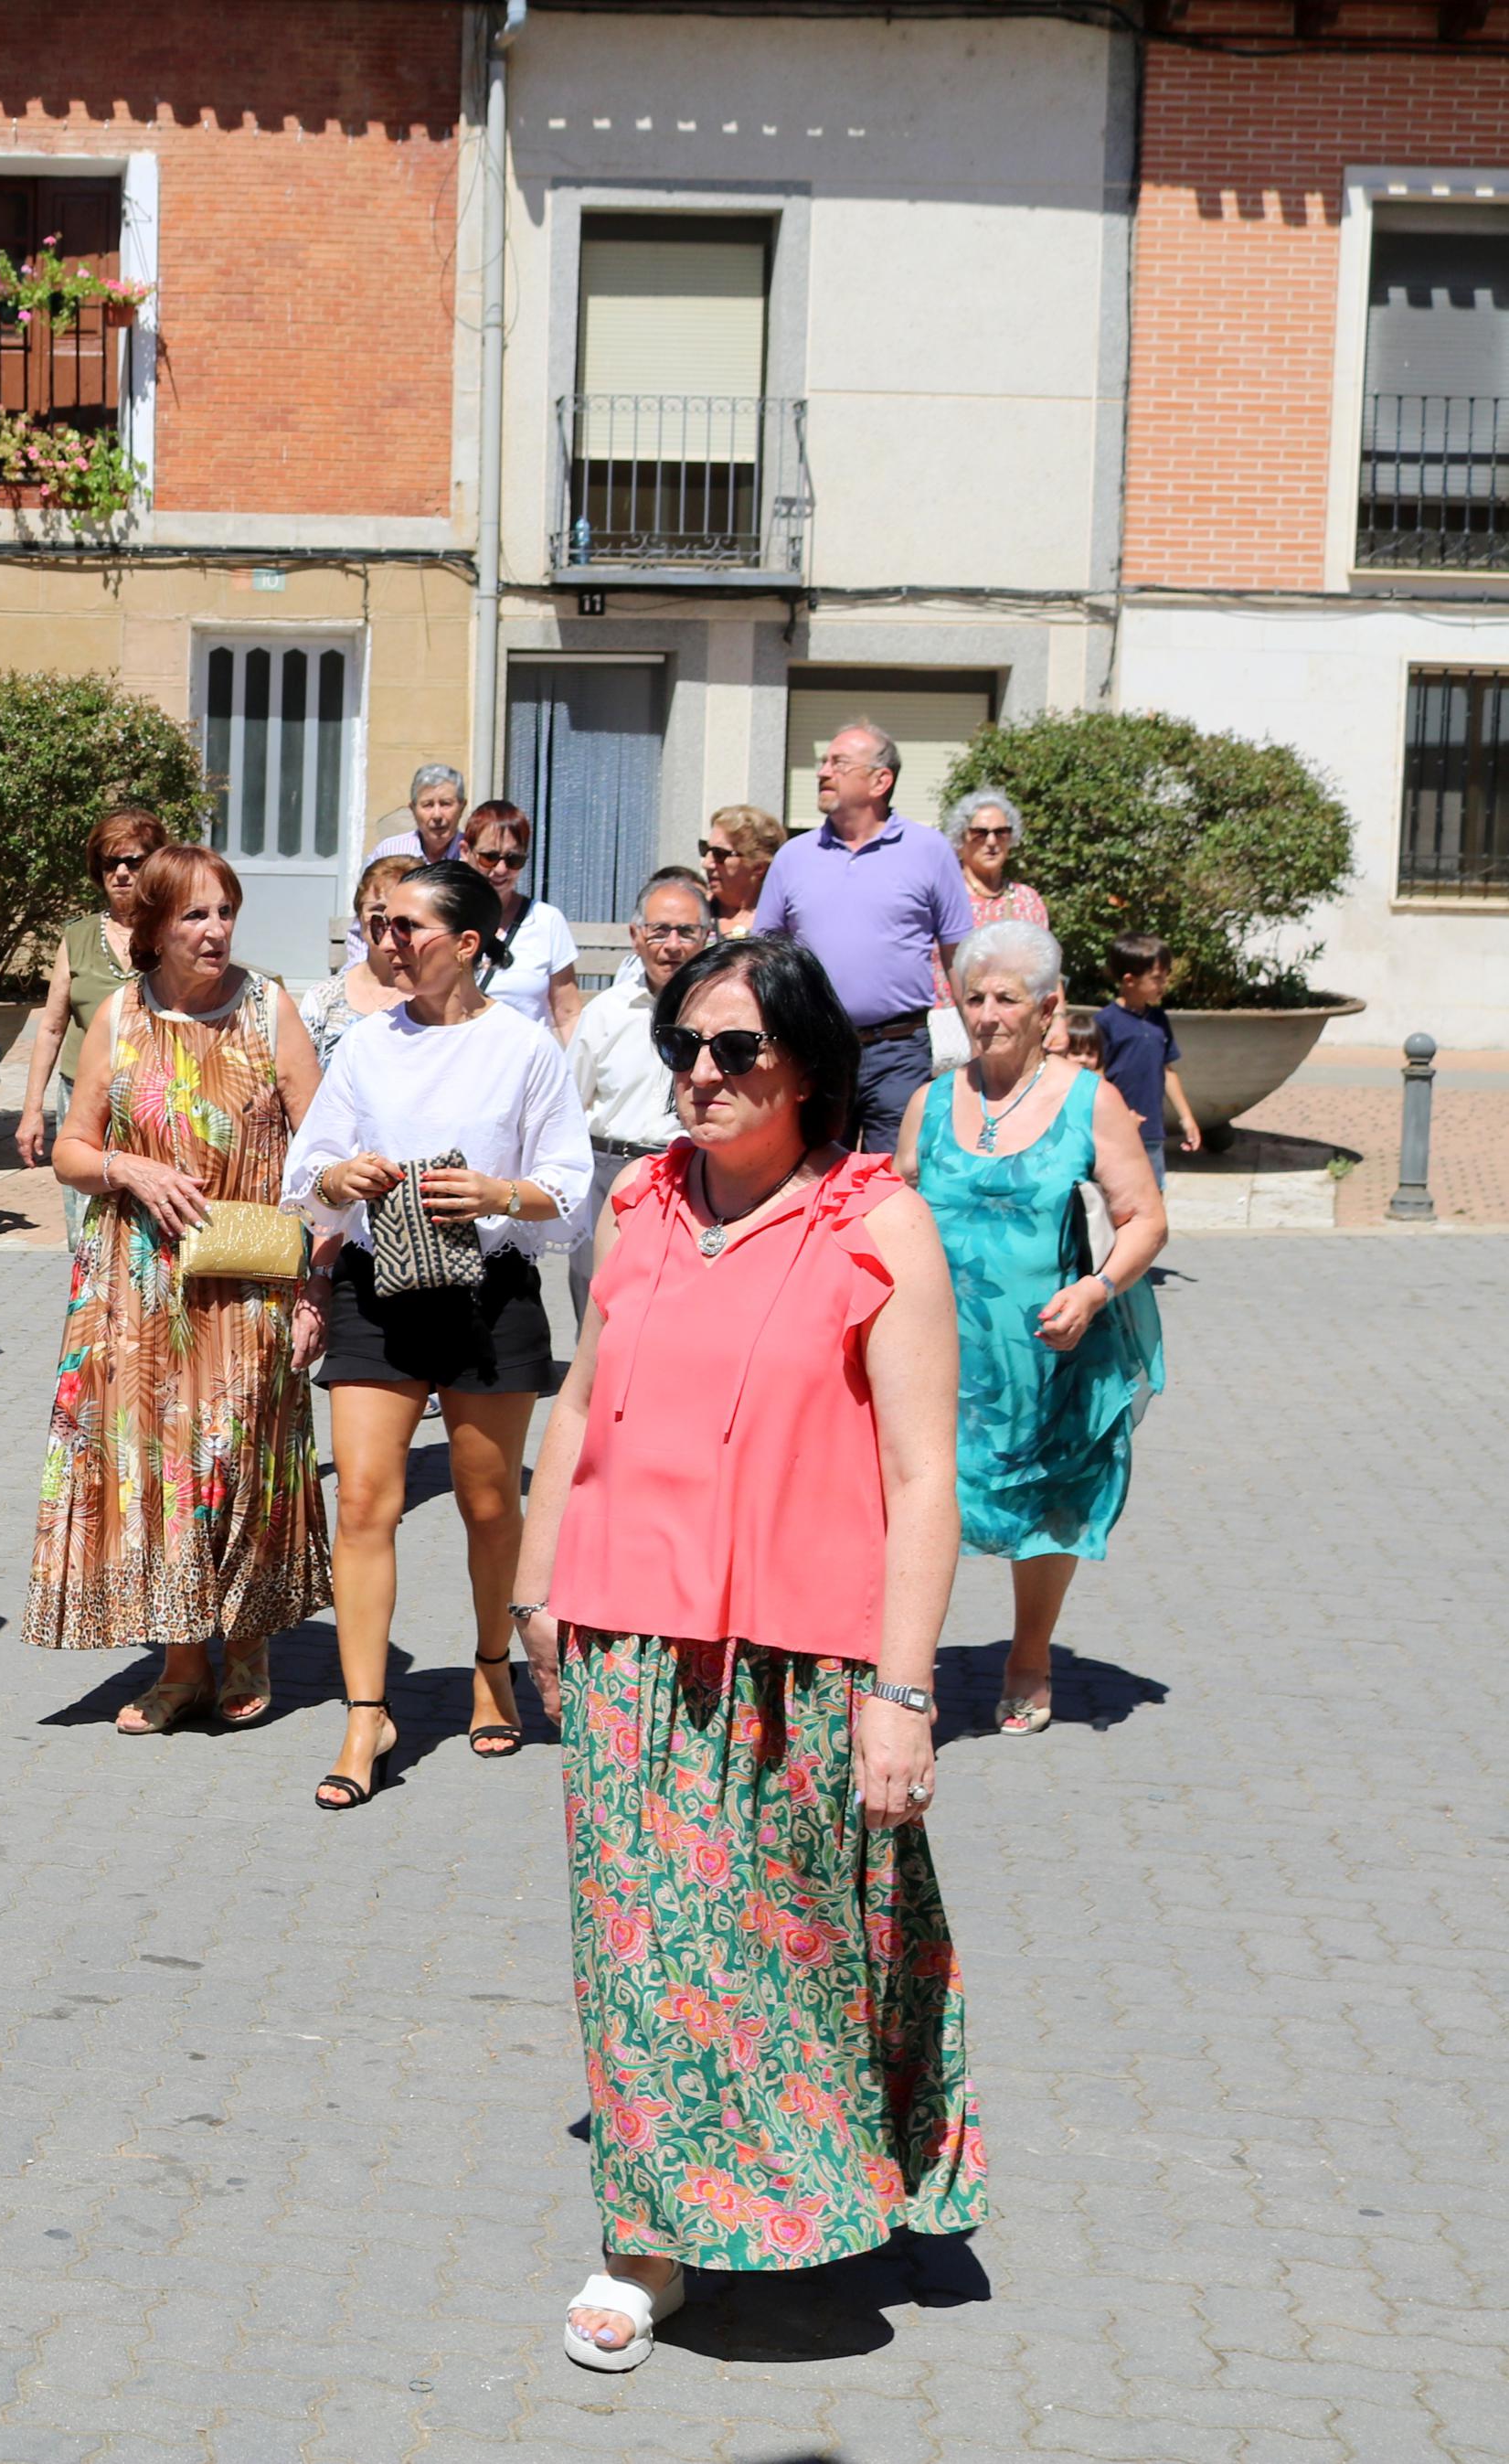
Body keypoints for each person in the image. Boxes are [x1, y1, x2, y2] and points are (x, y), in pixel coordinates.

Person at [508, 934, 982, 2374]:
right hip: (625, 1641)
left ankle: (821, 2184)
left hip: (799, 1657)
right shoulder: (641, 1198)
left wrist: (902, 1694)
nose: (697, 1075)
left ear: (805, 1068)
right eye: (680, 1046)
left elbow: (919, 1476)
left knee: (793, 1942)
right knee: (639, 1947)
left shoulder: (873, 1218)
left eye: (733, 1051)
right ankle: (646, 2242)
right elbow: (582, 1399)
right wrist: (533, 1589)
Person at [282, 860, 587, 1813]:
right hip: (376, 1290)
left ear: (465, 943)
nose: (390, 939)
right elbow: (310, 1167)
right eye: (381, 924)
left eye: (409, 925)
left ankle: (491, 1664)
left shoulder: (524, 1047)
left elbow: (568, 1190)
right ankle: (364, 1712)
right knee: (363, 1500)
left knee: (487, 1502)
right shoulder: (368, 1043)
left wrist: (497, 1193)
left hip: (485, 1294)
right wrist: (340, 1183)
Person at [26, 846, 335, 1735]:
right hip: (139, 1291)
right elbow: (70, 1150)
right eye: (192, 915)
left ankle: (244, 1643)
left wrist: (319, 1283)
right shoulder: (117, 1017)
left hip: (247, 1285)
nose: (213, 931)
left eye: (223, 912)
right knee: (159, 1471)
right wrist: (126, 1168)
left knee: (233, 1460)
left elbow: (322, 1157)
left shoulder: (269, 1008)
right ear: (152, 928)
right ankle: (178, 1663)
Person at [897, 921, 1168, 1737]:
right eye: (972, 996)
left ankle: (1028, 1653)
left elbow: (1143, 1218)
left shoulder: (1090, 1100)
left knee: (1045, 1501)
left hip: (1044, 1348)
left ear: (1047, 1008)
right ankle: (907, 1668)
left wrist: (1093, 1290)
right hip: (934, 1345)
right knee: (918, 1495)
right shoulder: (930, 1099)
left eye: (1005, 998)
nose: (986, 1013)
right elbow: (892, 1211)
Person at [762, 721, 972, 1152]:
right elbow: (764, 959)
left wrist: (983, 1048)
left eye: (838, 763)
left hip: (899, 1050)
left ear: (881, 780)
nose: (823, 772)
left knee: (895, 1181)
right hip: (815, 1052)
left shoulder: (929, 851)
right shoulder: (793, 857)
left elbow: (960, 957)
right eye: (823, 762)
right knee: (809, 1175)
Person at [563, 869, 716, 1322]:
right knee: (595, 1300)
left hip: (687, 1170)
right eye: (659, 930)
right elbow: (569, 1101)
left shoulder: (721, 1012)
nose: (672, 945)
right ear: (636, 936)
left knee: (678, 1304)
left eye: (687, 931)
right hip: (606, 1170)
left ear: (707, 937)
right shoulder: (607, 1012)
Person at [11, 807, 166, 1168]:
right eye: (110, 864)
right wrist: (32, 1111)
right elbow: (51, 1029)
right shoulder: (77, 936)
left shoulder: (173, 934)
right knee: (82, 1213)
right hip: (82, 1096)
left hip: (155, 1098)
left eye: (134, 862)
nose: (121, 873)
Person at [929, 789, 1052, 1068]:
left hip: (1016, 1033)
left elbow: (1048, 970)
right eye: (980, 833)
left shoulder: (1027, 899)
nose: (992, 842)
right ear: (961, 839)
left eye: (1002, 832)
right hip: (953, 1029)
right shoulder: (943, 896)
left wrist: (1057, 1019)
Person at [463, 802, 583, 1042]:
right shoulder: (446, 918)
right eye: (489, 857)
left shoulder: (547, 921)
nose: (500, 869)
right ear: (466, 852)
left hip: (527, 1065)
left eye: (513, 860)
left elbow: (567, 1013)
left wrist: (577, 1075)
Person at [1095, 933, 1204, 1181]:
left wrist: (1186, 1117)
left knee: (1154, 1195)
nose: (1163, 985)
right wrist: (1118, 1114)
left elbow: (1167, 1070)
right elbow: (1097, 1076)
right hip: (1117, 1129)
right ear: (1129, 980)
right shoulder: (1105, 1022)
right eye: (1156, 979)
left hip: (1152, 1130)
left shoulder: (1158, 1020)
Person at [301, 849, 421, 1074]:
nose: (387, 921)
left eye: (402, 914)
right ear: (359, 916)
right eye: (377, 910)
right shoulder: (324, 998)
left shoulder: (432, 998)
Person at [347, 763, 469, 965]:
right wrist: (362, 973)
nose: (437, 815)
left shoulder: (473, 856)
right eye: (428, 805)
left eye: (446, 804)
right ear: (412, 809)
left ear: (462, 806)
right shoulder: (389, 851)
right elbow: (362, 924)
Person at [697, 804, 788, 935]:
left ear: (758, 867)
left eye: (719, 854)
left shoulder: (783, 922)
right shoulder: (695, 915)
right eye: (705, 849)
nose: (706, 863)